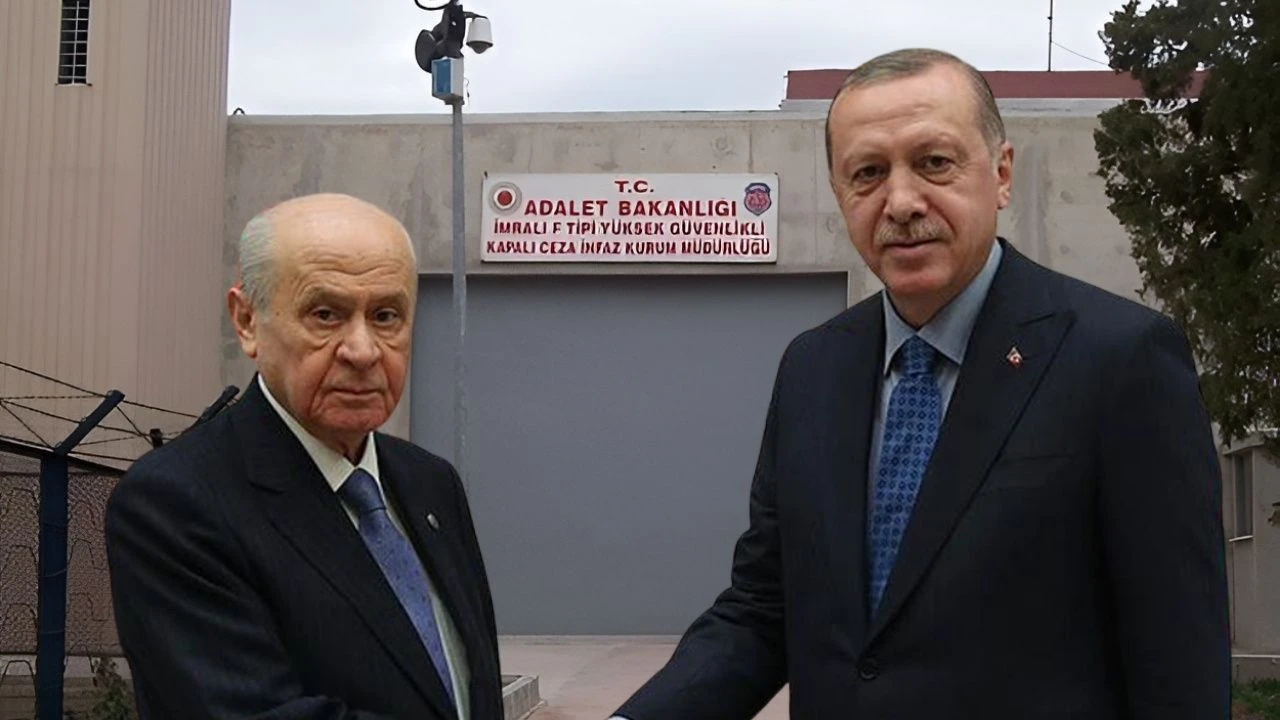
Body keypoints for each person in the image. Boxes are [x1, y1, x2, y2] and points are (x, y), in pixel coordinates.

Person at [612, 48, 1230, 719]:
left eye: (934, 162)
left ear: (1000, 174)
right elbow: (764, 608)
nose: (901, 203)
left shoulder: (1122, 360)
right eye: (868, 173)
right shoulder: (811, 370)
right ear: (840, 192)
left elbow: (1178, 665)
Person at [105, 193, 503, 719]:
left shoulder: (430, 484)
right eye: (325, 314)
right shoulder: (175, 504)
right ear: (247, 321)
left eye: (386, 315)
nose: (362, 350)